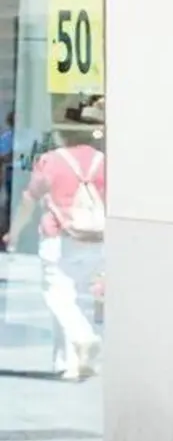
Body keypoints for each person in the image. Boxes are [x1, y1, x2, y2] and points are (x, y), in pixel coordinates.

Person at [5, 126, 105, 379]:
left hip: (58, 236)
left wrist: (15, 231)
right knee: (81, 298)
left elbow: (30, 197)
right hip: (96, 236)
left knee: (58, 296)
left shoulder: (51, 161)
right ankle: (70, 363)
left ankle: (84, 338)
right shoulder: (101, 161)